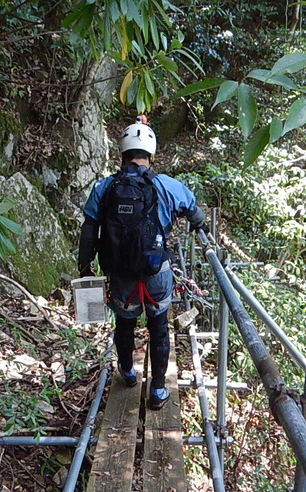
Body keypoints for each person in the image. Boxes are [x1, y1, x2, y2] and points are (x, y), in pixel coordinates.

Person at [77, 116, 208, 410]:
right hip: (156, 272)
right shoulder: (168, 186)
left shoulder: (105, 187)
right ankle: (159, 389)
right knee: (159, 327)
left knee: (125, 326)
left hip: (120, 272)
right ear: (151, 153)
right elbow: (194, 212)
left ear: (121, 152)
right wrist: (202, 228)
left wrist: (84, 266)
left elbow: (89, 229)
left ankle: (127, 372)